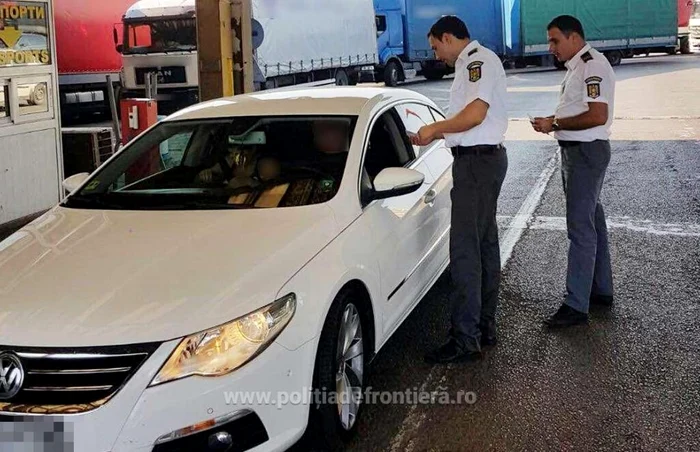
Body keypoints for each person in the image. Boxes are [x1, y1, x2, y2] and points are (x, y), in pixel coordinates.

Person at [411, 16, 508, 364]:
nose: (437, 55)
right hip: (484, 162)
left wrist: (434, 129)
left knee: (466, 251)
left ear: (449, 37)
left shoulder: (476, 61)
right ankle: (483, 327)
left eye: (437, 47)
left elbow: (475, 115)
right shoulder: (475, 62)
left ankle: (466, 339)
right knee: (484, 245)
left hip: (477, 165)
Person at [531, 15, 615, 328]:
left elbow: (596, 114)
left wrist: (554, 123)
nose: (550, 46)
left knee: (580, 228)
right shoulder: (580, 66)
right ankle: (600, 289)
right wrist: (553, 120)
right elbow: (578, 110)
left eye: (555, 40)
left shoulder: (591, 64)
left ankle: (576, 305)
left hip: (585, 154)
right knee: (592, 219)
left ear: (574, 38)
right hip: (578, 153)